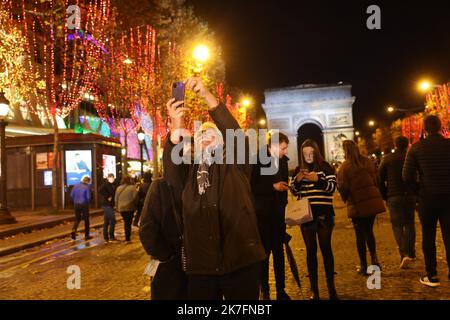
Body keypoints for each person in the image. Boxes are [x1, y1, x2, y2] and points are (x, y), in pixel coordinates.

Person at [163, 77, 266, 300]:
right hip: (201, 269)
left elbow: (235, 133)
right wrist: (176, 123)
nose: (205, 137)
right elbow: (171, 167)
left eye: (212, 134)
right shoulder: (188, 174)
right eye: (201, 134)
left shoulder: (237, 164)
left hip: (241, 262)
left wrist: (207, 96)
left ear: (224, 141)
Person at [403, 115, 450, 287]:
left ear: (424, 128)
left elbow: (406, 176)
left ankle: (432, 275)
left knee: (428, 236)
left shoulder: (416, 148)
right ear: (440, 127)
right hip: (448, 197)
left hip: (427, 198)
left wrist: (417, 193)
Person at [291, 139, 338, 300]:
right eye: (305, 154)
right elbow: (294, 192)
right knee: (310, 252)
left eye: (311, 153)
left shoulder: (325, 167)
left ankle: (332, 289)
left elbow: (333, 188)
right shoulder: (299, 169)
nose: (308, 156)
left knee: (326, 250)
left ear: (316, 152)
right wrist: (297, 181)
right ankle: (314, 290)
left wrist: (318, 179)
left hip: (324, 215)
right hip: (306, 216)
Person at [251, 132, 291, 300]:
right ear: (273, 145)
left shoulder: (283, 161)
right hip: (263, 216)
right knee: (264, 256)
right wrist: (272, 187)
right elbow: (251, 187)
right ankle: (264, 290)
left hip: (278, 215)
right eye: (283, 148)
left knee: (280, 254)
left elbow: (282, 183)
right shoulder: (257, 159)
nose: (285, 151)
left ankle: (281, 290)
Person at [337, 140, 385, 276]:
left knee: (359, 235)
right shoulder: (367, 161)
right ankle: (375, 261)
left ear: (345, 151)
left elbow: (343, 189)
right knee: (369, 232)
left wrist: (345, 198)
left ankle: (364, 266)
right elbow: (377, 178)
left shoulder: (344, 167)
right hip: (371, 202)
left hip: (357, 204)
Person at [139, 178, 188, 300]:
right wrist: (166, 256)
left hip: (191, 271)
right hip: (172, 268)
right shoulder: (161, 186)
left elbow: (147, 229)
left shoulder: (202, 183)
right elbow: (147, 231)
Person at [378, 136, 417, 268]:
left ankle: (404, 253)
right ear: (407, 145)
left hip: (393, 195)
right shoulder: (411, 156)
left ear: (395, 144)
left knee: (397, 225)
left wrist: (385, 195)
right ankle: (411, 252)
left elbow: (379, 178)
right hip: (410, 194)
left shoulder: (387, 158)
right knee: (410, 223)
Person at [115, 176, 138, 242]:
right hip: (130, 208)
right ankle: (128, 237)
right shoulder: (132, 188)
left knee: (126, 222)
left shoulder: (118, 188)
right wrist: (135, 205)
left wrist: (117, 207)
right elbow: (135, 197)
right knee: (128, 222)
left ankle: (127, 236)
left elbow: (116, 199)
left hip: (121, 208)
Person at [70, 176, 92, 241]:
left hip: (76, 204)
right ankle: (87, 235)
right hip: (84, 204)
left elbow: (71, 195)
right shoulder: (87, 187)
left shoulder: (75, 186)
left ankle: (74, 229)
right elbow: (88, 197)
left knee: (77, 218)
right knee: (86, 220)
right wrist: (88, 202)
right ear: (87, 181)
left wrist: (75, 200)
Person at [99, 173, 117, 242]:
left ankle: (106, 236)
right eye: (110, 177)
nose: (112, 178)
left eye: (112, 177)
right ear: (108, 178)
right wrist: (107, 196)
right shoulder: (105, 184)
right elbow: (100, 190)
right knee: (113, 220)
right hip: (106, 205)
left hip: (110, 205)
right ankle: (111, 235)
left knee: (106, 221)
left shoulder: (114, 184)